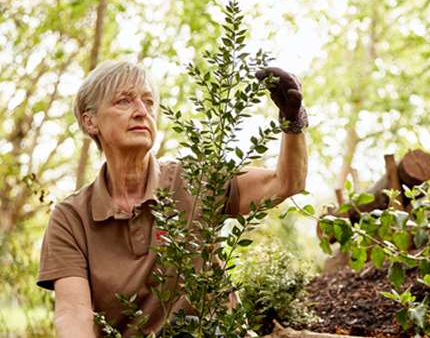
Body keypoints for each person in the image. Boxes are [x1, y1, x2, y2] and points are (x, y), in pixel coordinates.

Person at [36, 60, 308, 337]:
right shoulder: (71, 218)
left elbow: (286, 183)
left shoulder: (196, 180)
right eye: (124, 102)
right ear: (89, 120)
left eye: (148, 102)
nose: (142, 112)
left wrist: (293, 121)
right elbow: (73, 314)